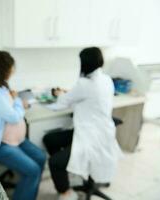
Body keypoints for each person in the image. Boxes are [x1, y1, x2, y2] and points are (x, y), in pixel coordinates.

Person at [43, 47, 122, 200]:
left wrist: (60, 94)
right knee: (49, 139)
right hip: (102, 133)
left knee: (54, 162)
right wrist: (71, 94)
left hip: (90, 136)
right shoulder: (107, 79)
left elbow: (62, 102)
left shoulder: (84, 84)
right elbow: (88, 98)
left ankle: (67, 193)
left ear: (85, 64)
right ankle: (69, 170)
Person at [0, 51, 46, 200]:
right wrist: (18, 102)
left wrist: (16, 101)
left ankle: (29, 195)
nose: (13, 70)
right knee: (33, 170)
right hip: (2, 145)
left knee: (41, 158)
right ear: (5, 70)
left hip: (17, 141)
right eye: (11, 67)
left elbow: (10, 108)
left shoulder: (2, 88)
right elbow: (14, 117)